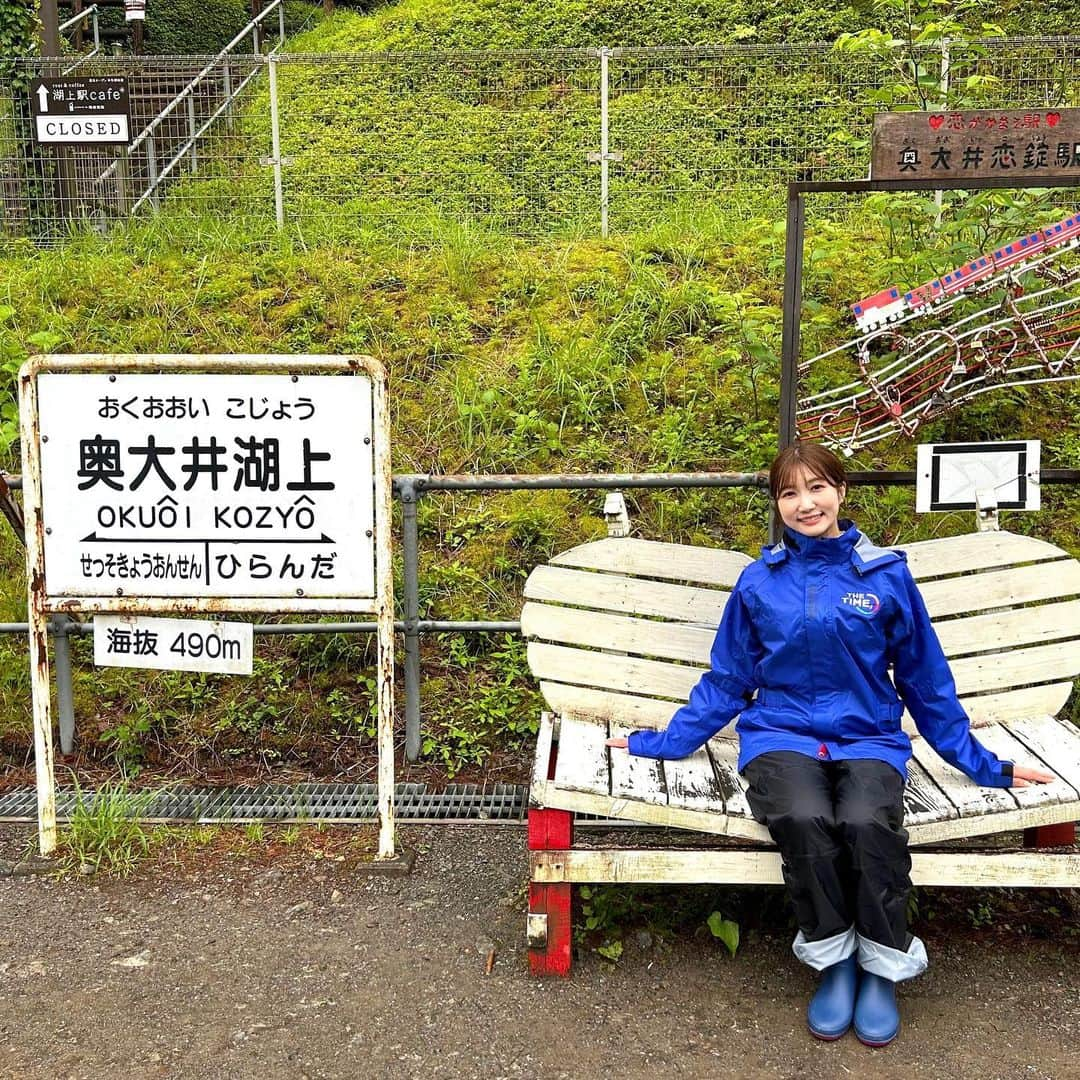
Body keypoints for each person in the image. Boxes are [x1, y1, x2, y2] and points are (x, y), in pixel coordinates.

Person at [605, 442, 1053, 1047]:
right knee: (803, 815)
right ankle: (835, 961)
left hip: (868, 735)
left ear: (840, 492)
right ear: (777, 505)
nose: (804, 503)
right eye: (788, 492)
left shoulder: (886, 576)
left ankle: (881, 966)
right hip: (782, 734)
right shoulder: (760, 582)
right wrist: (656, 743)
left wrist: (986, 765)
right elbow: (729, 678)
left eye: (816, 487)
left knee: (868, 822)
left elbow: (925, 680)